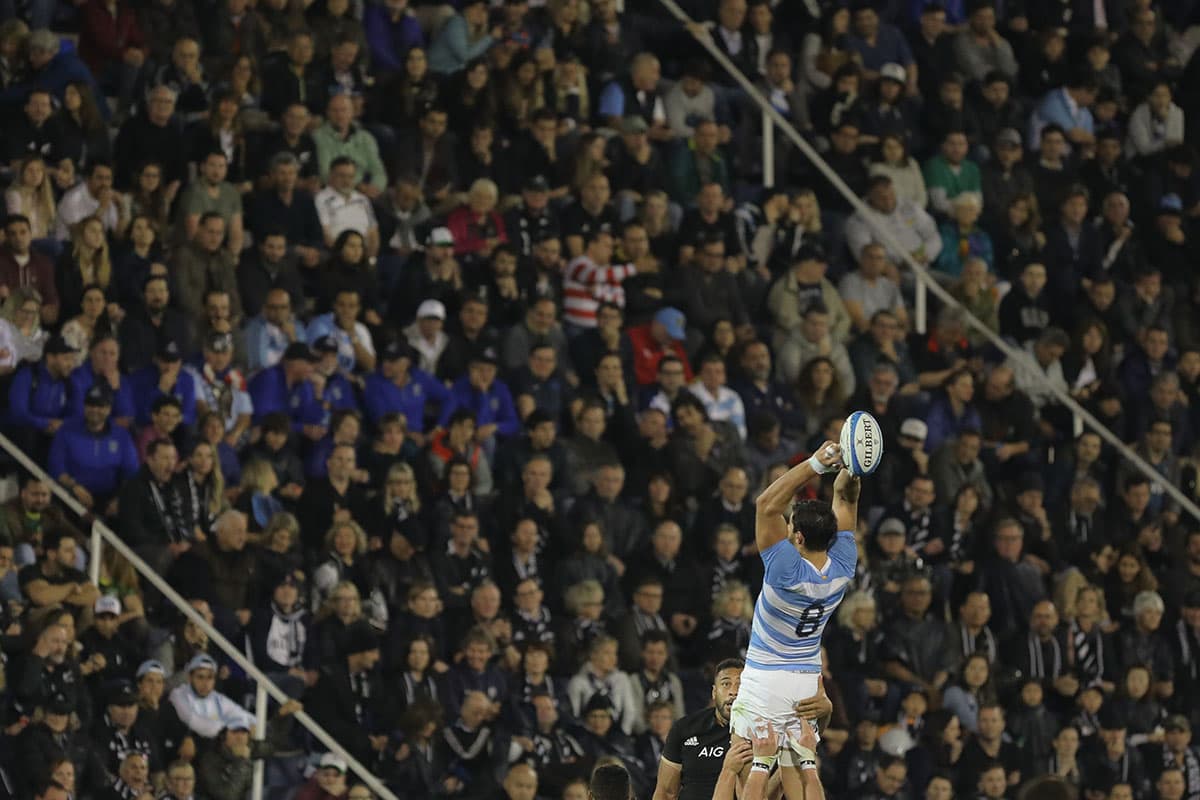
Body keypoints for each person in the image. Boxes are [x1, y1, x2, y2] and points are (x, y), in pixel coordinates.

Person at [727, 442, 858, 795]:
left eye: (789, 528)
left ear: (797, 537)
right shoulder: (844, 564)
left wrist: (815, 464)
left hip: (764, 679)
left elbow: (766, 504)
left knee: (744, 771)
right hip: (806, 681)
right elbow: (846, 499)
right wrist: (854, 467)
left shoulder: (784, 568)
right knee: (802, 777)